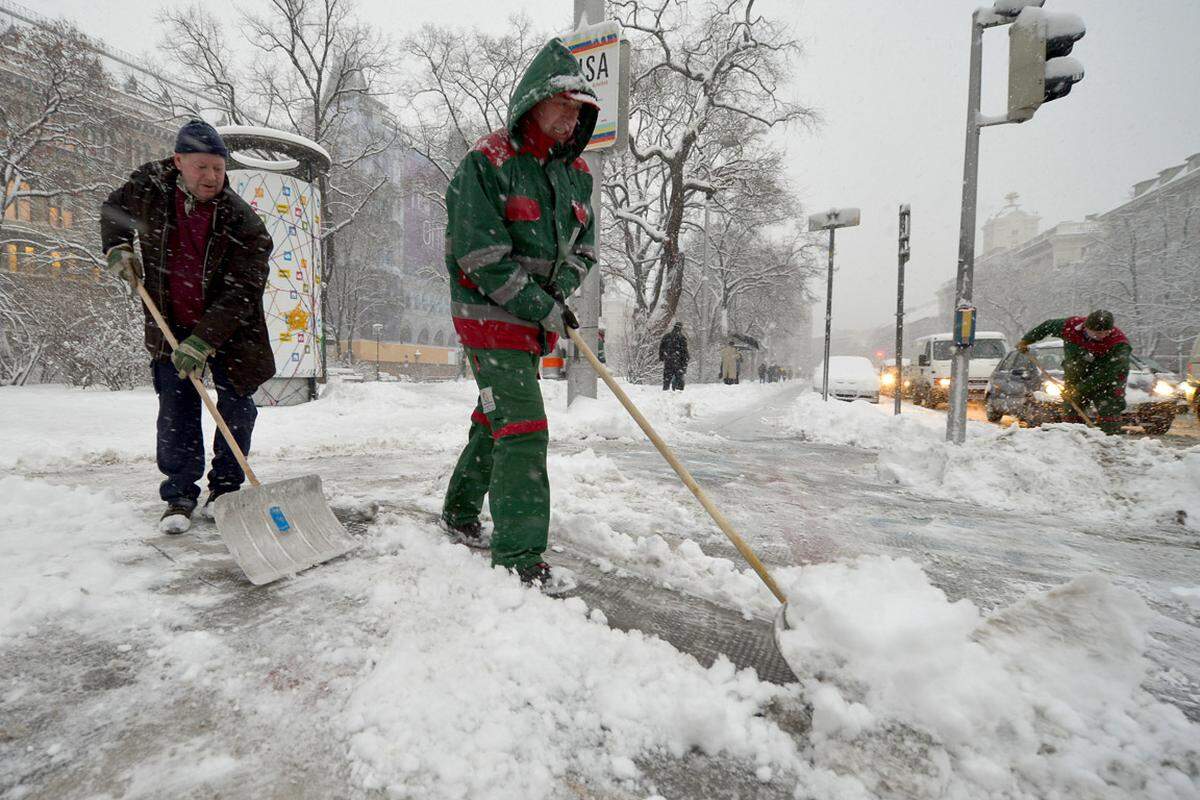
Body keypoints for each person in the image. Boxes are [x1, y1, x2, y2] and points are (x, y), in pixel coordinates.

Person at [439, 39, 599, 587]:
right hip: (487, 316)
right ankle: (519, 559)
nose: (569, 115)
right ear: (532, 102)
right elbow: (480, 256)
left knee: (497, 418)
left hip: (533, 323)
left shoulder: (577, 174)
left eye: (578, 108)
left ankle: (459, 513)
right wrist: (540, 303)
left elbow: (584, 250)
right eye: (561, 104)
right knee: (525, 427)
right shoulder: (487, 164)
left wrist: (557, 297)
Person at [100, 119, 275, 533]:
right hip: (169, 320)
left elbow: (244, 292)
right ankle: (179, 494)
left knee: (236, 409)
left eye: (218, 168)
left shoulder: (242, 222)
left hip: (232, 330)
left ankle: (226, 489)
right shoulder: (149, 188)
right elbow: (113, 210)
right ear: (179, 161)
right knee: (176, 410)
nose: (212, 177)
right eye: (202, 167)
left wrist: (204, 340)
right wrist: (118, 247)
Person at [1017, 309, 1132, 435]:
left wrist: (1080, 389)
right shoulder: (1070, 327)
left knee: (1109, 409)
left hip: (1108, 382)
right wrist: (1027, 340)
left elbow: (1110, 372)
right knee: (1071, 408)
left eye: (1106, 332)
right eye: (1097, 333)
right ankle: (1074, 439)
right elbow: (1047, 326)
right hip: (1076, 376)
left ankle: (1109, 442)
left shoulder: (1118, 343)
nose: (1102, 336)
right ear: (1086, 327)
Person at [658, 321, 689, 391]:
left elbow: (661, 348)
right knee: (679, 380)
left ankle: (665, 391)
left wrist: (661, 357)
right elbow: (684, 352)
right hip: (679, 362)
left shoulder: (666, 336)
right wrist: (685, 363)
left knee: (667, 379)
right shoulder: (682, 338)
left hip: (668, 361)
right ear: (681, 328)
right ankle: (677, 394)